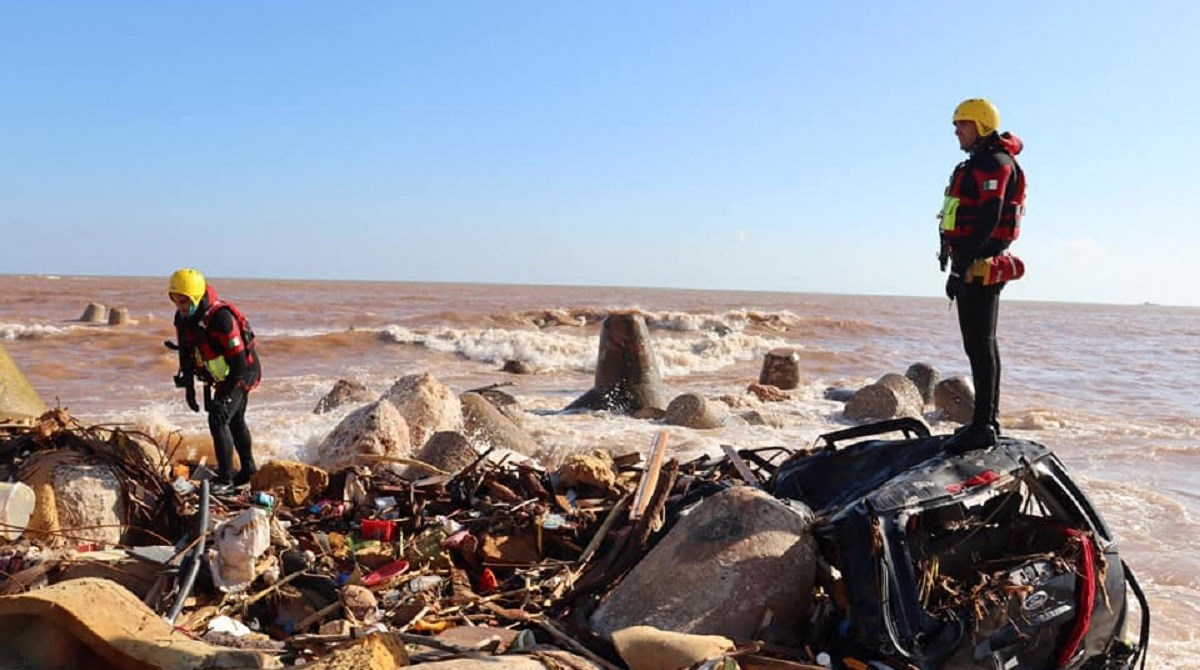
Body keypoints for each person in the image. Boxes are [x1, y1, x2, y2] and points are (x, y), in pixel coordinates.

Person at [937, 98, 1027, 453]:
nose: (957, 131)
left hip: (982, 264)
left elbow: (990, 220)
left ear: (982, 125)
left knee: (981, 344)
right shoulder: (975, 164)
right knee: (976, 344)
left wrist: (961, 267)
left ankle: (985, 425)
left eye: (963, 124)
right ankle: (984, 422)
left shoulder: (996, 164)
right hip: (969, 262)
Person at [168, 268, 262, 491]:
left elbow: (239, 364)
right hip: (223, 374)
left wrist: (226, 395)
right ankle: (248, 470)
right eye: (176, 301)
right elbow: (185, 352)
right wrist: (189, 389)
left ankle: (225, 479)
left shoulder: (221, 319)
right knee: (235, 420)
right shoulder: (182, 318)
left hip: (243, 371)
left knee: (218, 418)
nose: (181, 307)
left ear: (197, 297)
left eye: (185, 301)